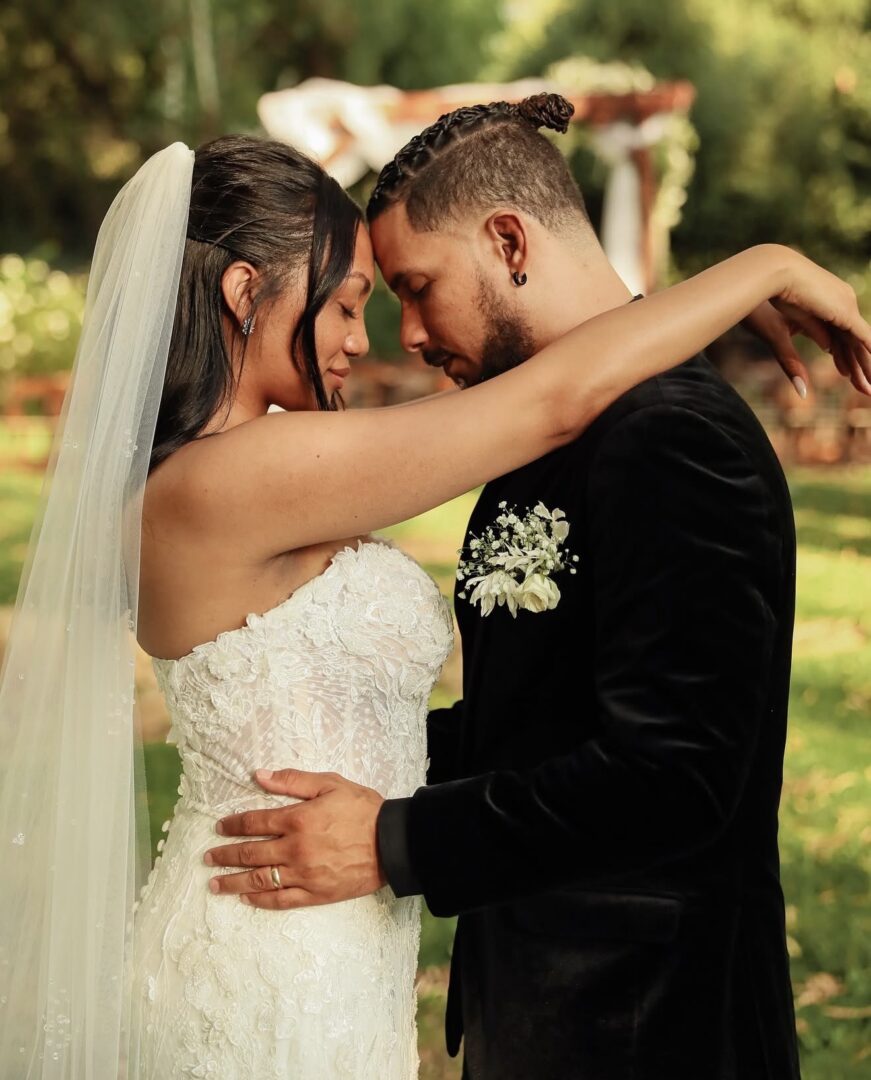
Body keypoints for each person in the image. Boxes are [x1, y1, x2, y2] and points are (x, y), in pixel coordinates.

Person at [0, 115, 867, 1078]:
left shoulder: (668, 439)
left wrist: (393, 836)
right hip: (274, 958)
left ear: (508, 242)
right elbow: (552, 400)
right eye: (350, 303)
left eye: (406, 291)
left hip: (623, 1014)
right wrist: (765, 267)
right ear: (245, 294)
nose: (382, 337)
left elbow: (658, 762)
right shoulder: (242, 475)